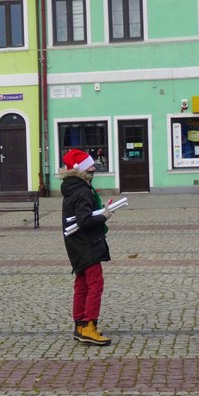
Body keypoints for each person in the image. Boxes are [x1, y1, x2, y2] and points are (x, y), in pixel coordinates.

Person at [59, 148, 113, 346]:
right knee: (95, 284)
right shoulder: (82, 191)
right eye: (91, 169)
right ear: (81, 171)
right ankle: (90, 327)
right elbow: (84, 220)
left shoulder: (72, 188)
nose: (93, 171)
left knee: (81, 285)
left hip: (76, 244)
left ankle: (80, 325)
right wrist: (103, 216)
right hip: (87, 244)